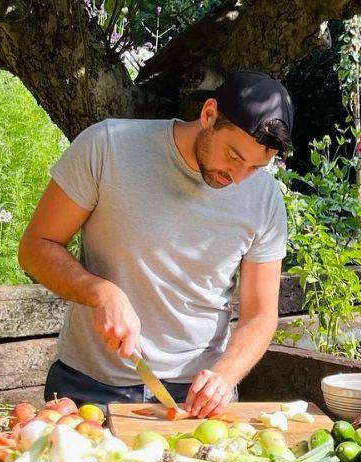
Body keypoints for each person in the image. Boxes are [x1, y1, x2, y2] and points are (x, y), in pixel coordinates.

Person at [19, 70, 293, 418]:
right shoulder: (107, 146)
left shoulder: (265, 197)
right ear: (209, 114)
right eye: (234, 157)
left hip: (196, 401)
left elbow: (260, 315)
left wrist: (225, 377)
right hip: (91, 387)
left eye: (256, 167)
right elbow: (35, 247)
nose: (238, 178)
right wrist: (99, 291)